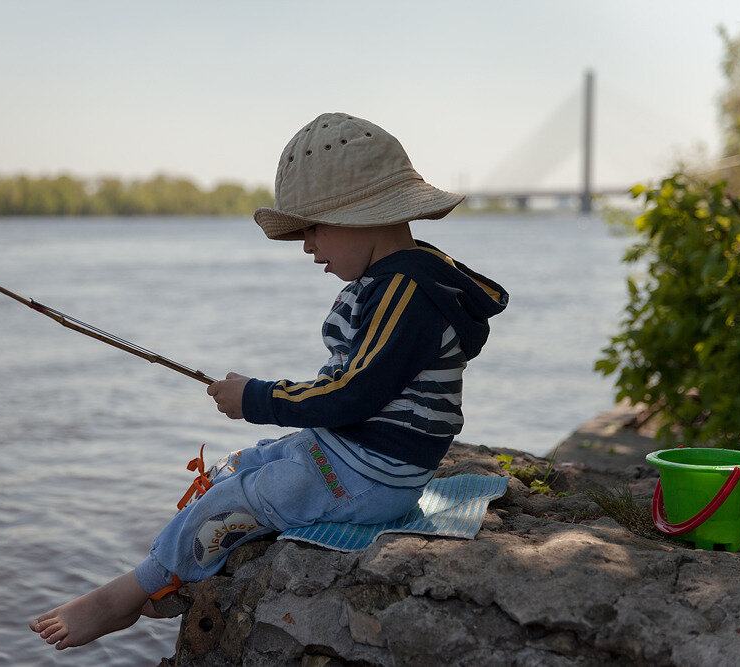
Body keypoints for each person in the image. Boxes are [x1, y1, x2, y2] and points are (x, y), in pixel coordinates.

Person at [28, 112, 508, 650]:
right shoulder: (404, 278)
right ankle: (175, 572)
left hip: (374, 476)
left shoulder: (406, 294)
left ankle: (124, 596)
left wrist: (256, 396)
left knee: (244, 496)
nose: (306, 247)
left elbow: (354, 393)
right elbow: (359, 388)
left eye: (312, 229)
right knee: (250, 460)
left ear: (363, 217)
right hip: (361, 454)